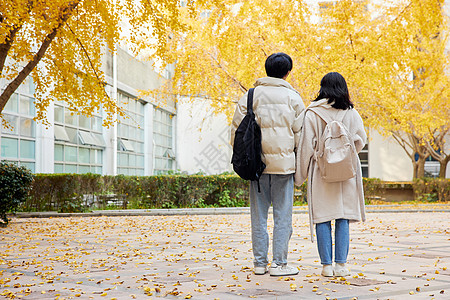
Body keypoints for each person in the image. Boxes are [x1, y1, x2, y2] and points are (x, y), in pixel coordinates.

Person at [231, 53, 305, 276]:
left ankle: (260, 264)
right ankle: (279, 264)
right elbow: (300, 135)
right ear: (287, 72)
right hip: (284, 167)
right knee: (283, 216)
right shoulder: (293, 98)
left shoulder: (250, 95)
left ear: (267, 69)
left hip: (257, 166)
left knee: (258, 216)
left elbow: (236, 130)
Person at [295, 72, 367, 277]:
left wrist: (299, 177)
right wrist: (346, 154)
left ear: (322, 88)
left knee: (323, 218)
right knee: (342, 217)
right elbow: (361, 139)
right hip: (347, 172)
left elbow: (305, 148)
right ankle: (341, 265)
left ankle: (326, 266)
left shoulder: (312, 113)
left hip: (321, 171)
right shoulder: (352, 112)